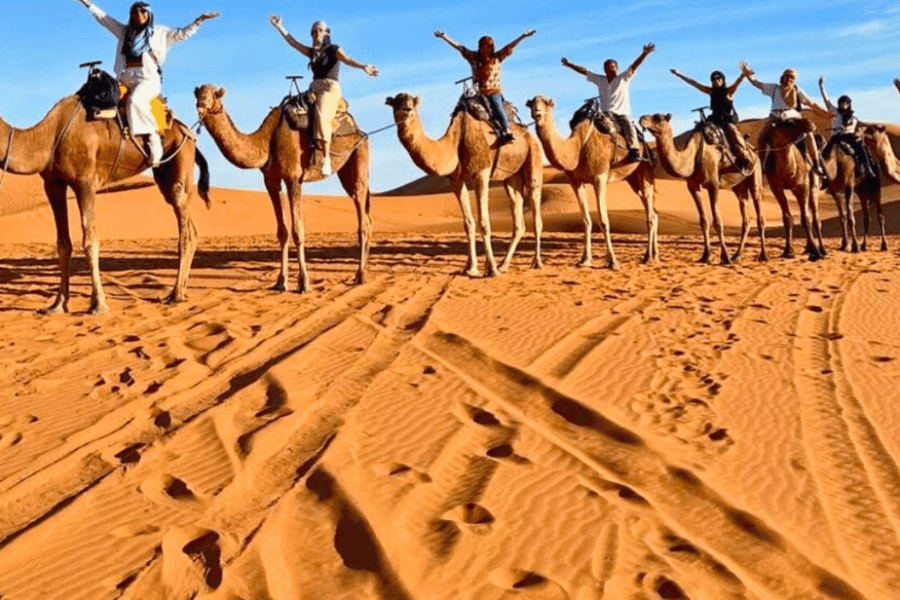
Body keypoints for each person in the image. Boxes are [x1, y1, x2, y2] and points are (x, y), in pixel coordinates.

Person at [76, 0, 219, 167]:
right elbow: (104, 18)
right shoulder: (124, 32)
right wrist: (86, 3)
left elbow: (182, 34)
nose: (139, 16)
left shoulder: (160, 33)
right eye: (135, 13)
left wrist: (199, 20)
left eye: (143, 12)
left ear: (149, 15)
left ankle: (153, 139)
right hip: (124, 78)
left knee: (135, 100)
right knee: (102, 99)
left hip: (147, 80)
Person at [270, 16, 378, 176]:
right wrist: (279, 26)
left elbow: (347, 59)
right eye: (313, 31)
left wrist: (363, 66)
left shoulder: (334, 50)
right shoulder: (312, 52)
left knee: (321, 114)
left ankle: (325, 158)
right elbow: (293, 43)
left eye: (319, 30)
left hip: (330, 88)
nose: (316, 34)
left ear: (326, 33)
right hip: (314, 87)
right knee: (291, 108)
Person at [434, 29, 536, 145]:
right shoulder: (473, 57)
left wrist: (523, 36)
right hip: (477, 92)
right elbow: (459, 48)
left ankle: (506, 130)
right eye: (483, 46)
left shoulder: (497, 58)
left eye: (488, 46)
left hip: (493, 91)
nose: (485, 49)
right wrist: (444, 37)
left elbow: (510, 46)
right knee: (461, 109)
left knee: (497, 107)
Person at [561, 43, 655, 162]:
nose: (611, 69)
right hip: (606, 113)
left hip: (622, 113)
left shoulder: (623, 78)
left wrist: (644, 54)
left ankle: (634, 151)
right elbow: (585, 72)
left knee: (629, 127)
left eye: (613, 67)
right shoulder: (600, 80)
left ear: (617, 68)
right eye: (608, 67)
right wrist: (570, 65)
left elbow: (634, 66)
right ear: (604, 69)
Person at [739, 61, 831, 179]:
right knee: (762, 138)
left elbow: (812, 104)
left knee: (808, 133)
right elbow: (757, 84)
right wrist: (748, 76)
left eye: (792, 77)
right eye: (787, 76)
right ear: (782, 78)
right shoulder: (774, 88)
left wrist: (825, 114)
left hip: (793, 118)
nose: (789, 79)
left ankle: (816, 164)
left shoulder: (798, 91)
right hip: (775, 118)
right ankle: (761, 166)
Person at [670, 68, 753, 172]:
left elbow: (737, 83)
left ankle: (744, 156)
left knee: (732, 131)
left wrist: (743, 75)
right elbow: (694, 83)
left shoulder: (729, 91)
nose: (716, 81)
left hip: (726, 121)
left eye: (718, 78)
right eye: (713, 79)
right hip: (714, 119)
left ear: (723, 80)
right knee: (698, 129)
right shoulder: (710, 91)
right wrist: (679, 74)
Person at [818, 76, 877, 180]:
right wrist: (821, 86)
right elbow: (826, 100)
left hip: (849, 136)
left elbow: (859, 124)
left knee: (861, 146)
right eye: (842, 103)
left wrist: (873, 126)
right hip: (837, 137)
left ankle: (867, 168)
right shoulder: (835, 112)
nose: (844, 105)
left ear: (849, 104)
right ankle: (821, 172)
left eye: (846, 103)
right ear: (839, 104)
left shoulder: (853, 117)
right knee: (825, 151)